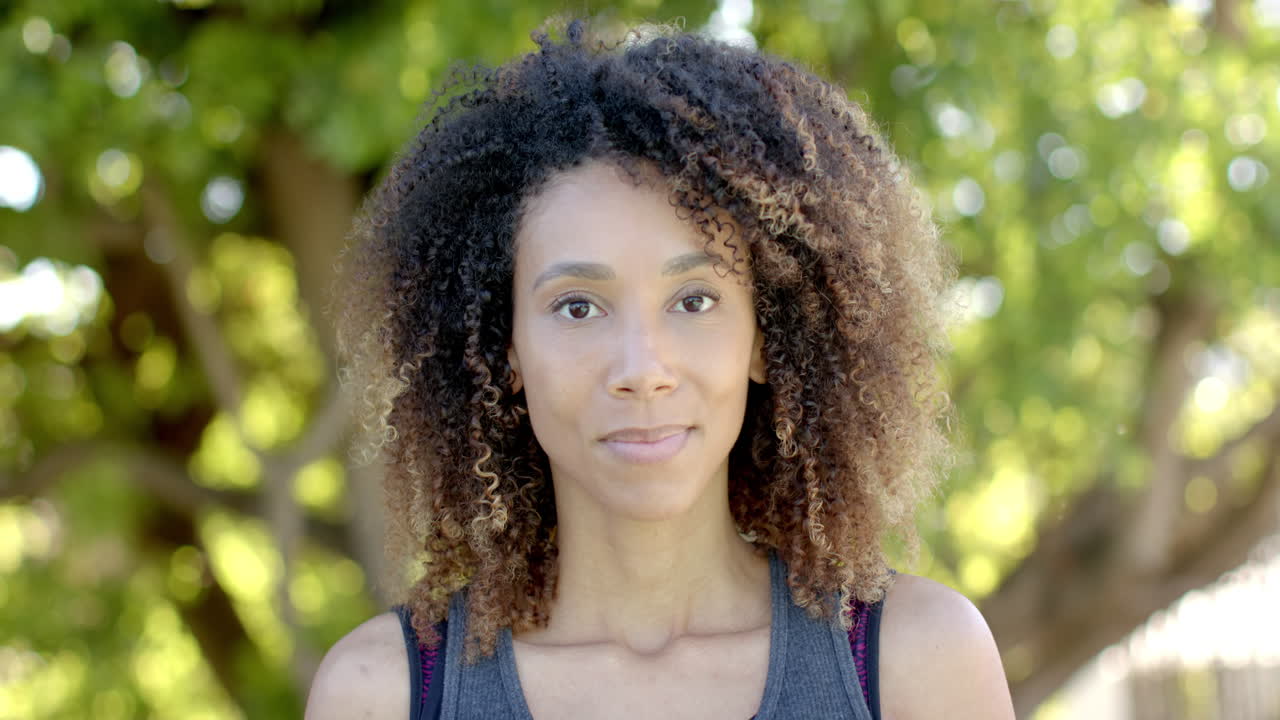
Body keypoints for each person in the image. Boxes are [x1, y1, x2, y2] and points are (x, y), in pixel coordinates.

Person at [307, 18, 1015, 720]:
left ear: (767, 337)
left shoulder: (917, 665)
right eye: (579, 307)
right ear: (505, 350)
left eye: (694, 299)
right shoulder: (382, 695)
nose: (642, 370)